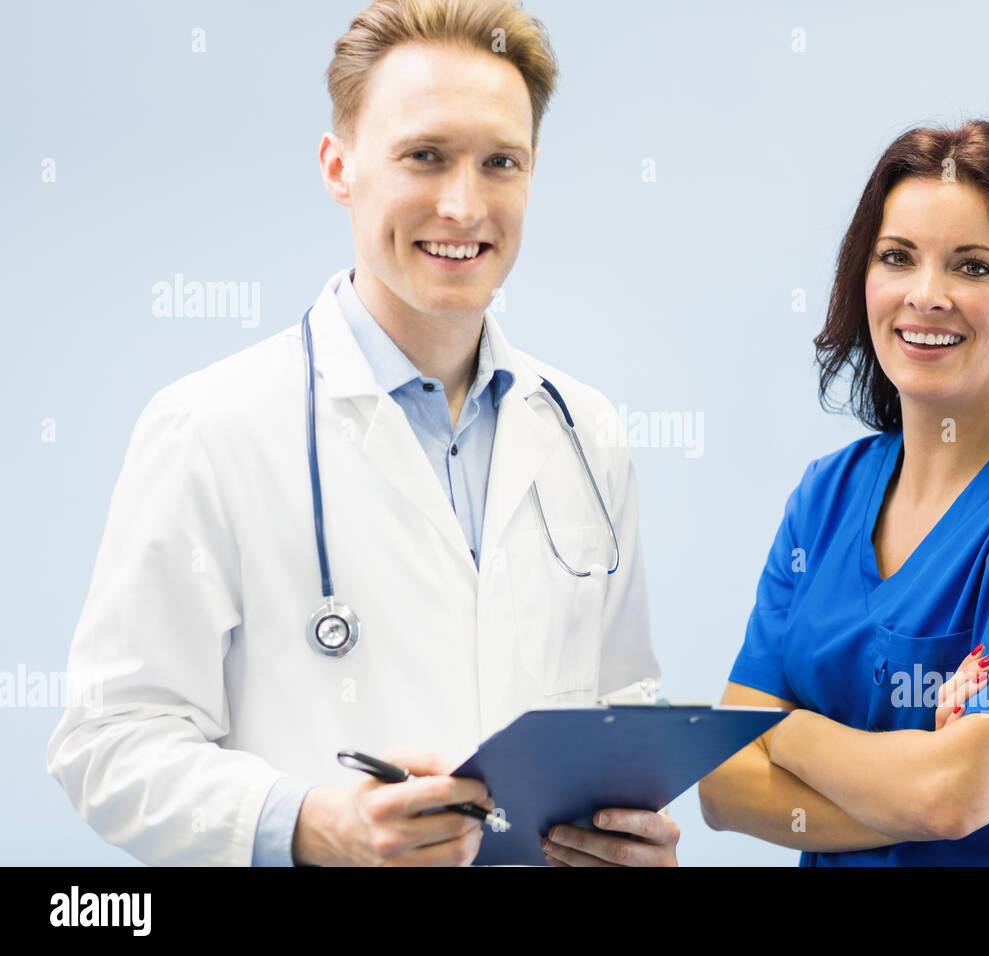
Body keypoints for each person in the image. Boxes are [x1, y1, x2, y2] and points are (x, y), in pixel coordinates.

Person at [46, 0, 679, 867]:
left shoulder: (585, 431)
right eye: (425, 156)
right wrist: (311, 826)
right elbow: (108, 743)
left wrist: (625, 840)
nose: (464, 205)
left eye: (502, 162)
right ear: (338, 166)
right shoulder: (210, 428)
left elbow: (622, 703)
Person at [698, 119, 989, 866]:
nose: (926, 295)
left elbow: (954, 799)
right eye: (896, 258)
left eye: (972, 267)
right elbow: (718, 784)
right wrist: (925, 785)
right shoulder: (827, 496)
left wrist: (784, 730)